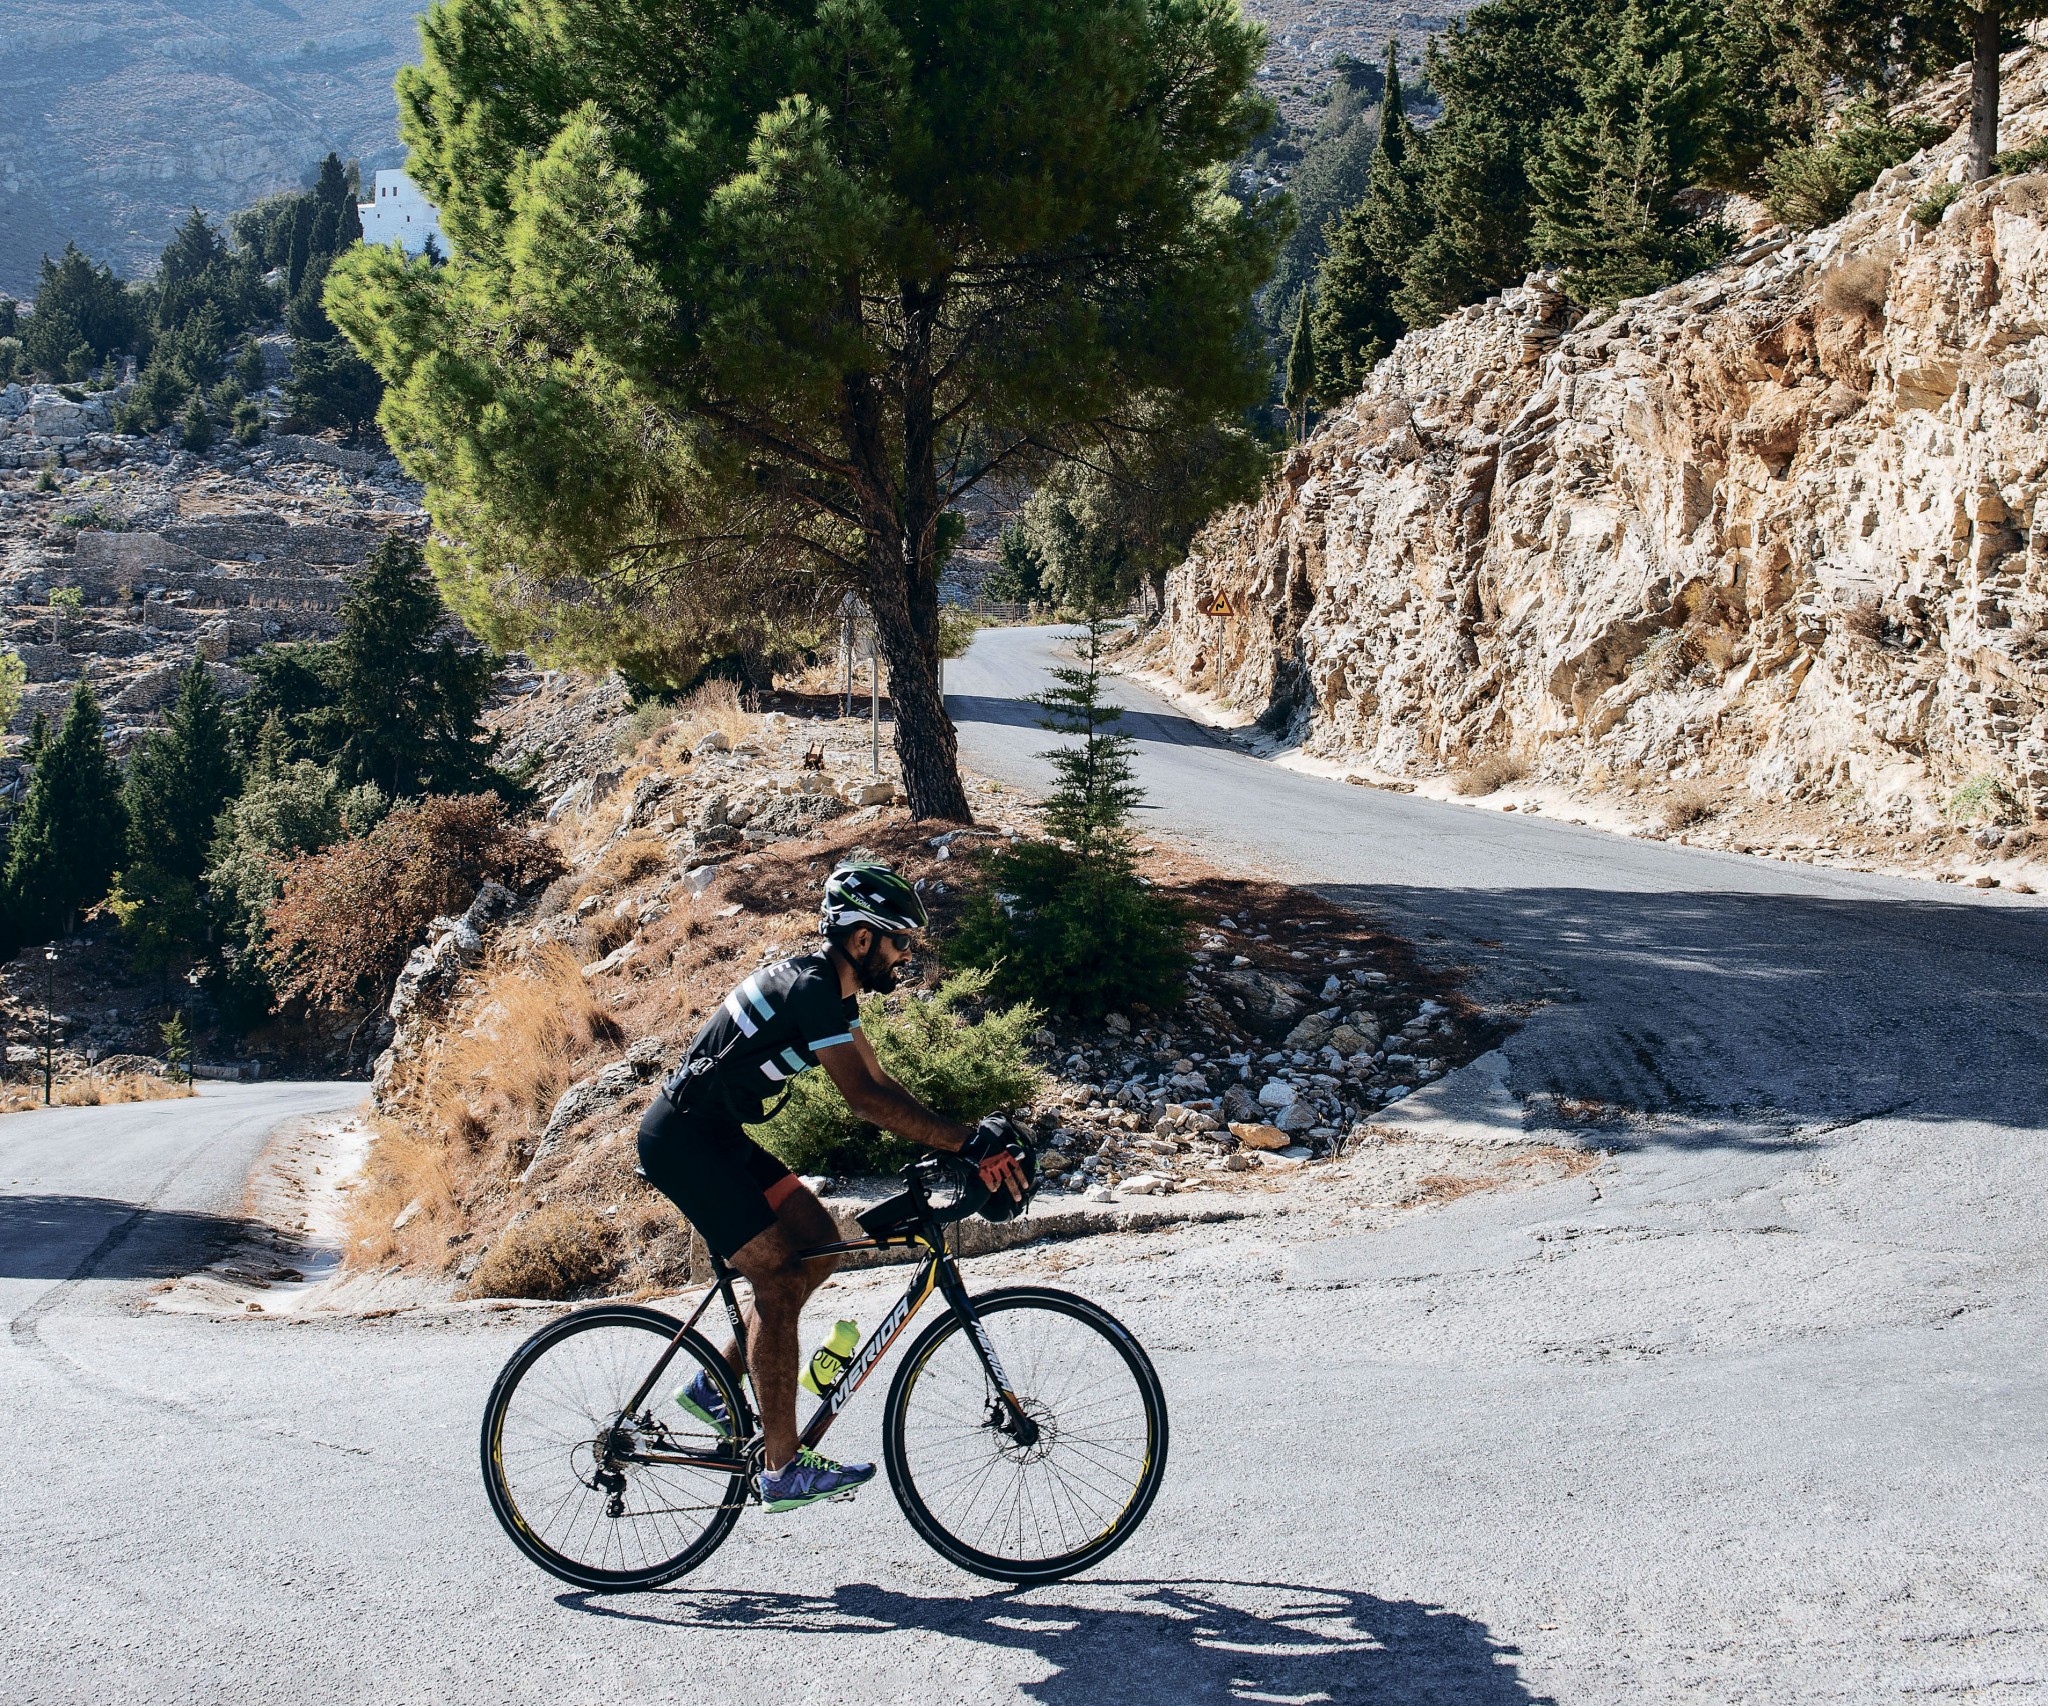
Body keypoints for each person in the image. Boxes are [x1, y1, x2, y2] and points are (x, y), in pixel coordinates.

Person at [636, 858, 1028, 1513]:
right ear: (861, 937)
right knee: (778, 1275)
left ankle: (717, 1386)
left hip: (713, 1136)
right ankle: (782, 1470)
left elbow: (879, 1081)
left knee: (818, 1240)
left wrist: (957, 1141)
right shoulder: (813, 987)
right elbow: (864, 1100)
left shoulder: (831, 991)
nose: (907, 954)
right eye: (899, 940)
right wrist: (966, 1144)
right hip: (682, 1142)